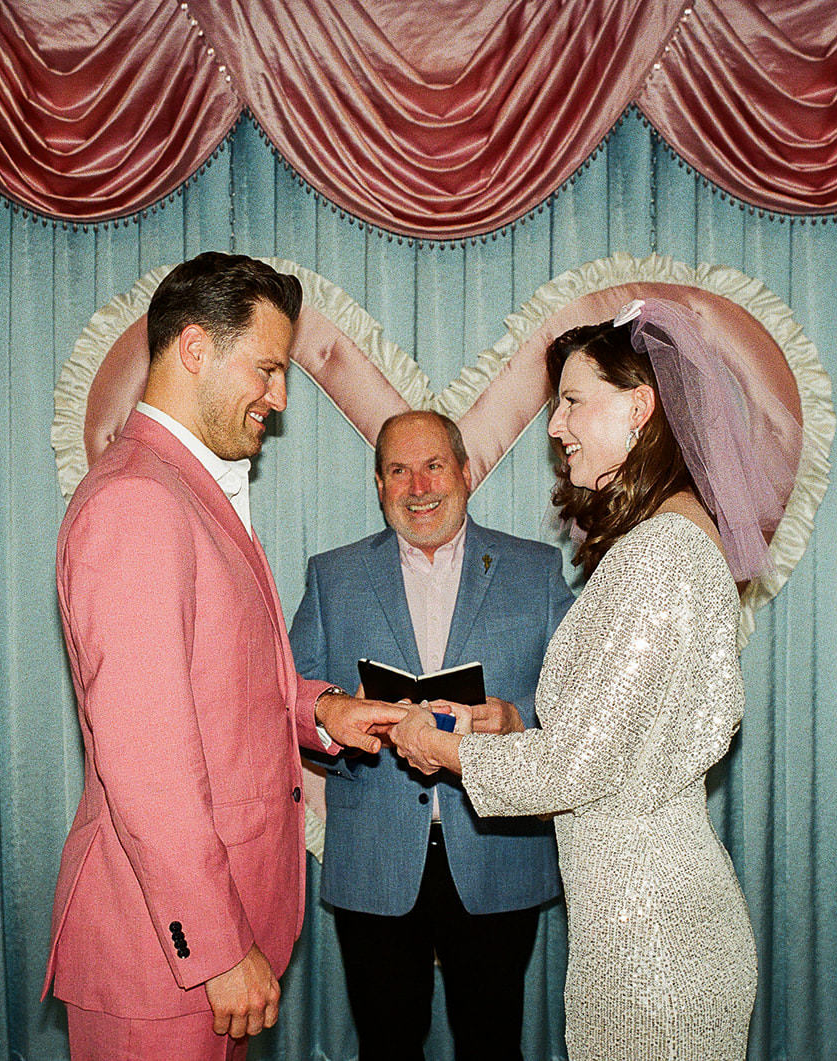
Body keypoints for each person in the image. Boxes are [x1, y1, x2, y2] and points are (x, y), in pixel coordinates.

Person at [388, 298, 785, 1060]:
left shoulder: (661, 553)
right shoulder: (668, 542)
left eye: (572, 401)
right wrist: (504, 725)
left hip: (651, 942)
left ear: (640, 406)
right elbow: (612, 745)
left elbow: (579, 767)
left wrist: (443, 747)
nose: (554, 426)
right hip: (638, 919)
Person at [45, 251, 408, 1061]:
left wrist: (320, 710)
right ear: (196, 348)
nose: (279, 401)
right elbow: (146, 761)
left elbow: (223, 686)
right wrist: (212, 948)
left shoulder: (181, 486)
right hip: (165, 960)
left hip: (198, 945)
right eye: (269, 369)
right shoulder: (138, 501)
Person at [289, 410, 573, 1061]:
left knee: (492, 1045)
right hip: (376, 859)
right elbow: (289, 702)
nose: (418, 485)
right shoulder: (332, 576)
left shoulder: (535, 569)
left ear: (466, 473)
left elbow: (583, 702)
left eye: (433, 465)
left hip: (497, 852)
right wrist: (337, 720)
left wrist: (514, 718)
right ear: (379, 484)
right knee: (386, 1047)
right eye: (397, 469)